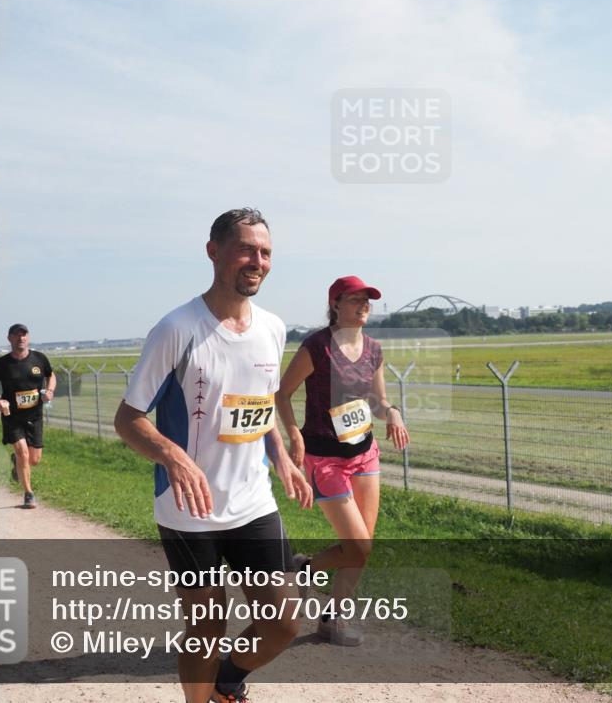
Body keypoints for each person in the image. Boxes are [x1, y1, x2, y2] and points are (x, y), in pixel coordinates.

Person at [114, 208, 312, 703]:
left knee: (284, 622)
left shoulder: (273, 328)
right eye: (246, 249)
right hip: (189, 509)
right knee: (206, 626)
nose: (257, 261)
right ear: (213, 252)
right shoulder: (177, 329)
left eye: (265, 252)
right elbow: (128, 418)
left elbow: (260, 406)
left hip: (253, 502)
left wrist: (281, 456)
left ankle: (226, 679)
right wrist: (173, 456)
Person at [274, 276, 410, 646]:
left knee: (362, 546)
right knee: (358, 546)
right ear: (335, 304)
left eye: (367, 300)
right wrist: (295, 435)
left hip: (364, 454)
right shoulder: (317, 347)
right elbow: (282, 394)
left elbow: (377, 401)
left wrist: (393, 413)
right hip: (325, 459)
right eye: (354, 299)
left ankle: (332, 618)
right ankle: (307, 569)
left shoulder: (374, 349)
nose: (364, 305)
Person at [0, 324, 56, 509]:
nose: (21, 338)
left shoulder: (39, 358)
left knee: (34, 460)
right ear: (9, 339)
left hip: (35, 415)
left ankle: (16, 463)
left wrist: (50, 391)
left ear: (28, 338)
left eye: (24, 335)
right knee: (23, 452)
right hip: (12, 416)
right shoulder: (2, 364)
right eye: (16, 335)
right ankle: (28, 494)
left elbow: (51, 375)